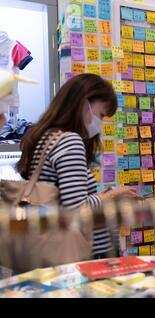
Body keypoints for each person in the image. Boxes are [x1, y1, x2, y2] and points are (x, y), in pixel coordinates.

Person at [17, 74, 138, 258]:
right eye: (101, 114)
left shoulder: (46, 137)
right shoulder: (70, 141)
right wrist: (112, 196)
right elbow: (76, 210)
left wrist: (102, 197)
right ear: (84, 103)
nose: (101, 123)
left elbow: (62, 200)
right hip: (77, 261)